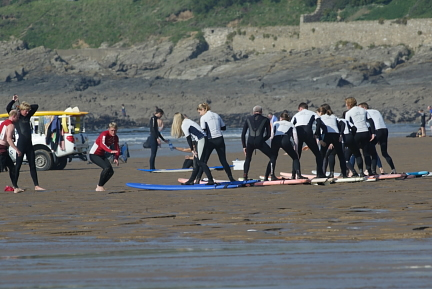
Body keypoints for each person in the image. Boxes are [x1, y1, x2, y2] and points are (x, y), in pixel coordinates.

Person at [6, 95, 45, 193]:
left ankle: (36, 185)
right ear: (21, 110)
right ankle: (15, 186)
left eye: (28, 110)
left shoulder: (28, 116)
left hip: (29, 145)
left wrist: (24, 106)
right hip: (21, 144)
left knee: (32, 165)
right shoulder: (17, 117)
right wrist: (13, 102)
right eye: (25, 110)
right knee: (18, 166)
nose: (27, 112)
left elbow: (36, 106)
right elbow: (8, 109)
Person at [171, 112, 216, 185]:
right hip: (200, 140)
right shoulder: (186, 121)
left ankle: (211, 180)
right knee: (196, 162)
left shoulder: (184, 124)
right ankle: (191, 180)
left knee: (200, 162)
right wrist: (194, 149)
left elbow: (188, 139)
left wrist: (192, 150)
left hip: (201, 140)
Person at [196, 103, 236, 182]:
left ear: (203, 109)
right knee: (223, 160)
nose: (199, 114)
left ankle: (197, 179)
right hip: (220, 139)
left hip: (210, 140)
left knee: (203, 161)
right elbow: (224, 127)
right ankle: (231, 178)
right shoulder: (217, 115)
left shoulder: (203, 117)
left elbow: (203, 130)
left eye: (199, 112)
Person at [266, 111, 306, 180]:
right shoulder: (291, 124)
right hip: (285, 140)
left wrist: (272, 145)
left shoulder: (275, 123)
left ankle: (271, 175)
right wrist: (296, 149)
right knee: (295, 158)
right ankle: (298, 175)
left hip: (276, 140)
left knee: (273, 158)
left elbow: (271, 136)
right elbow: (295, 138)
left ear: (280, 118)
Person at [291, 102, 327, 178]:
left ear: (300, 108)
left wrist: (292, 139)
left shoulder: (296, 115)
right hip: (308, 132)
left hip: (298, 132)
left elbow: (291, 126)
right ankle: (319, 174)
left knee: (296, 155)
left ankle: (294, 175)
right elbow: (319, 122)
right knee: (317, 154)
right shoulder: (312, 113)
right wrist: (317, 133)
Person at [359, 102, 397, 174]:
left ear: (364, 108)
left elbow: (369, 124)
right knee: (384, 153)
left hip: (377, 131)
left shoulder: (365, 112)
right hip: (384, 130)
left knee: (371, 151)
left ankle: (371, 170)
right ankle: (393, 169)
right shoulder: (376, 111)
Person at [344, 97, 377, 176]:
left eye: (346, 104)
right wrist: (373, 133)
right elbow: (371, 121)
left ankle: (361, 172)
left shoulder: (348, 113)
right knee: (366, 153)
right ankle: (369, 171)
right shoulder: (363, 110)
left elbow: (347, 125)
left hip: (356, 134)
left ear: (349, 104)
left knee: (357, 154)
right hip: (365, 132)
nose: (345, 105)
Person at [241, 105, 273, 180]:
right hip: (260, 141)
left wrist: (244, 146)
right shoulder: (266, 119)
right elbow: (268, 134)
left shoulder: (248, 119)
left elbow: (243, 134)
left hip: (250, 142)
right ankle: (266, 176)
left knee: (248, 159)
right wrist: (261, 140)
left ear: (253, 112)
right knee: (272, 157)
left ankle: (245, 176)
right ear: (261, 112)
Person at [316, 106, 347, 178]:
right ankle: (344, 175)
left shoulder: (321, 118)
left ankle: (320, 174)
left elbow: (318, 126)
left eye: (317, 113)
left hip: (327, 135)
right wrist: (341, 134)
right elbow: (343, 124)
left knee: (321, 156)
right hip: (336, 135)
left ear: (320, 113)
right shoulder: (334, 116)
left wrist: (320, 139)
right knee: (341, 156)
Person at [89, 122, 120, 191]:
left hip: (102, 155)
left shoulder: (115, 137)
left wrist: (116, 158)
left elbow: (117, 148)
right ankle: (99, 186)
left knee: (111, 171)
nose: (113, 132)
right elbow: (102, 144)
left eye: (115, 130)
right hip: (94, 154)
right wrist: (110, 151)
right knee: (106, 168)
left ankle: (100, 186)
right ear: (108, 129)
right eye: (112, 130)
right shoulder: (104, 134)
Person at [0, 110, 22, 192]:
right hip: (2, 149)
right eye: (18, 117)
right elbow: (8, 139)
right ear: (13, 116)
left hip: (3, 149)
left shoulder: (4, 122)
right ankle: (15, 187)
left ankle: (15, 187)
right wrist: (16, 149)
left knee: (12, 167)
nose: (18, 119)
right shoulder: (11, 125)